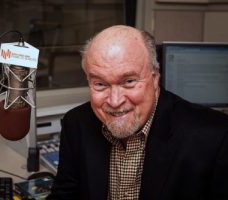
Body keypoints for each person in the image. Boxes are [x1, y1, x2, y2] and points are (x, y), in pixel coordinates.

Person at [46, 25, 228, 200]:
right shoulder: (76, 123)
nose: (115, 101)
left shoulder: (216, 138)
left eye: (129, 81)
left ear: (155, 77)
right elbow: (64, 195)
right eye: (100, 84)